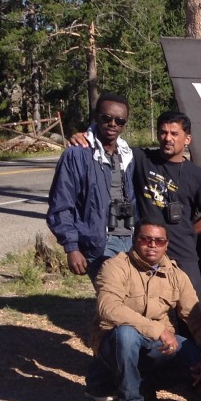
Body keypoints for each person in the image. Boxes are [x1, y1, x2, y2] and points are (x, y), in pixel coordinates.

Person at [85, 218, 201, 401]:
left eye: (159, 240)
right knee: (126, 335)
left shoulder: (176, 274)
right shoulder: (114, 267)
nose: (152, 245)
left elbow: (195, 317)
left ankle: (144, 386)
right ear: (135, 240)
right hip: (113, 342)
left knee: (191, 356)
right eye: (146, 239)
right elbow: (108, 308)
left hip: (153, 345)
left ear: (166, 244)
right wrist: (158, 330)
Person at [70, 110, 201, 298]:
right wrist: (85, 135)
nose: (168, 138)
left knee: (192, 305)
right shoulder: (141, 159)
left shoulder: (197, 176)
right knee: (142, 302)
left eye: (174, 134)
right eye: (163, 132)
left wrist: (188, 231)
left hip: (181, 249)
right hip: (145, 247)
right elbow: (109, 143)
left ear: (187, 139)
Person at [47, 92, 143, 283]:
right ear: (96, 117)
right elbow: (61, 204)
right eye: (106, 118)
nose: (113, 124)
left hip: (131, 239)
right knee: (112, 301)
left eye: (120, 120)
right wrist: (72, 247)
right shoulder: (77, 155)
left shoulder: (128, 155)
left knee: (131, 299)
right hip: (99, 242)